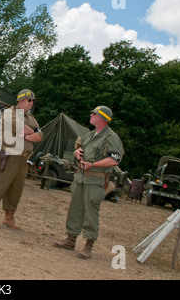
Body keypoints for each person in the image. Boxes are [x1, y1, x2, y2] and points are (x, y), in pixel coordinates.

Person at [53, 106, 124, 259]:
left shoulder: (111, 137)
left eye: (94, 113)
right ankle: (70, 240)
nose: (91, 115)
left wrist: (93, 165)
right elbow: (80, 151)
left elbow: (115, 160)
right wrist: (76, 152)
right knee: (75, 209)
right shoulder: (89, 135)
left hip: (96, 181)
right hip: (80, 178)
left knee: (91, 213)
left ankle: (88, 246)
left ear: (103, 118)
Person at [0, 89, 42, 229]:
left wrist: (27, 134)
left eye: (33, 101)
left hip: (22, 158)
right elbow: (26, 130)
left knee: (16, 189)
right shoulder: (9, 113)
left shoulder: (31, 118)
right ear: (20, 100)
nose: (31, 103)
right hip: (7, 156)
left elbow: (40, 135)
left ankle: (9, 218)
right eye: (29, 100)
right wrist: (30, 132)